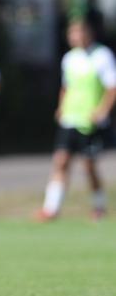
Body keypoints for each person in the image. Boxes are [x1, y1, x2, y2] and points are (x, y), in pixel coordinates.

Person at [38, 19, 116, 222]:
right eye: (73, 33)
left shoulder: (102, 56)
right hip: (70, 118)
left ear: (89, 33)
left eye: (80, 32)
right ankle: (51, 208)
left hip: (89, 121)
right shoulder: (69, 58)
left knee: (88, 165)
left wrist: (103, 110)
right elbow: (66, 86)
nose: (76, 37)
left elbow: (112, 87)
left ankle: (99, 205)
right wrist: (61, 106)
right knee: (61, 161)